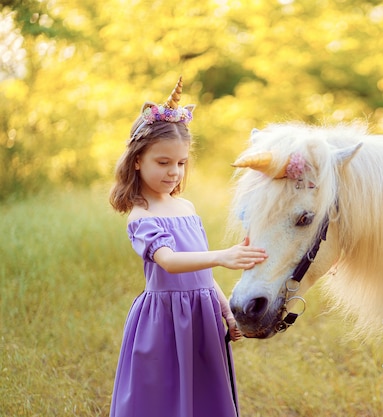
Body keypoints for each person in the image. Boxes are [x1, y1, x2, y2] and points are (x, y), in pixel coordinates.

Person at [108, 77, 267, 417]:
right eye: (162, 163)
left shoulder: (187, 208)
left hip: (202, 313)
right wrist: (223, 256)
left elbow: (203, 274)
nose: (174, 172)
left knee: (204, 392)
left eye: (180, 163)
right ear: (138, 160)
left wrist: (226, 310)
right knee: (162, 394)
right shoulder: (141, 215)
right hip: (165, 319)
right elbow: (169, 261)